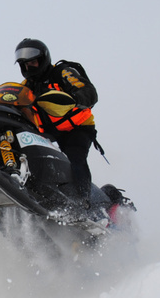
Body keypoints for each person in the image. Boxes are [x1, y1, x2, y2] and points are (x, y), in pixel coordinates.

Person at [14, 38, 99, 206]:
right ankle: (36, 192)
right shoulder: (26, 86)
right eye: (24, 64)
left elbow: (88, 91)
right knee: (33, 156)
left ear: (43, 58)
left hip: (77, 128)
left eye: (32, 62)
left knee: (75, 157)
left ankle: (83, 202)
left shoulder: (62, 73)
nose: (28, 67)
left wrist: (75, 98)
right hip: (49, 133)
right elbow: (18, 103)